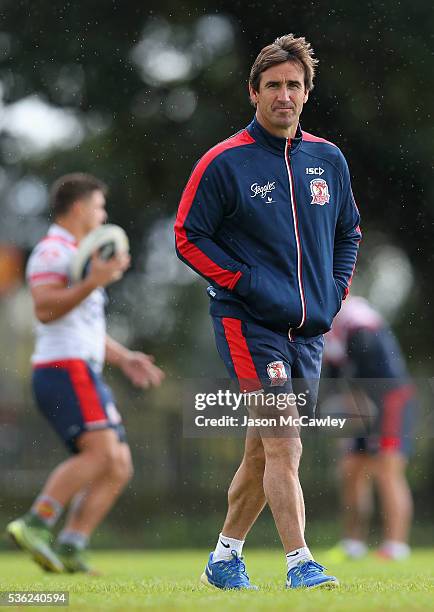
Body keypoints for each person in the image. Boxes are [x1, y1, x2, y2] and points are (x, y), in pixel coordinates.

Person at [174, 34, 361, 590]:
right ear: (253, 92)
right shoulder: (225, 163)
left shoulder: (328, 158)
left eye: (294, 85)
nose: (284, 94)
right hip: (247, 323)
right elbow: (188, 236)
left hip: (307, 330)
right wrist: (245, 283)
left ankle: (224, 558)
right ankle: (301, 562)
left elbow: (349, 231)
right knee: (284, 442)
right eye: (274, 85)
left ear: (307, 93)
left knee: (261, 452)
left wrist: (335, 292)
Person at [6, 173, 164, 573]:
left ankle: (72, 545)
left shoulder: (76, 252)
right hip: (63, 368)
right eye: (98, 206)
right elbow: (45, 308)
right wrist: (94, 280)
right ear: (78, 208)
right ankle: (36, 522)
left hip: (79, 366)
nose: (103, 214)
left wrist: (125, 356)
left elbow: (83, 325)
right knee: (102, 453)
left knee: (119, 464)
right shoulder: (51, 251)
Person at [322, 296, 414, 561]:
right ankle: (353, 544)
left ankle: (396, 546)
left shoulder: (357, 317)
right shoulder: (326, 325)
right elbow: (333, 374)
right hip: (361, 404)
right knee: (351, 469)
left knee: (387, 469)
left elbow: (372, 366)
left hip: (390, 401)